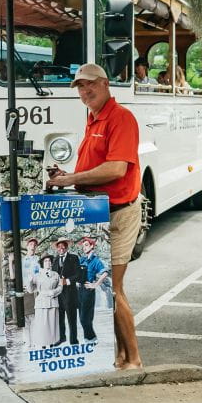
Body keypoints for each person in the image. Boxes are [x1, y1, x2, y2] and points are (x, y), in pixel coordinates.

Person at [46, 63, 143, 369]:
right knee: (109, 291)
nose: (84, 92)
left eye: (89, 85)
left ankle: (134, 359)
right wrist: (68, 176)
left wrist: (71, 178)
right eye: (80, 88)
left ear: (105, 83)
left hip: (118, 214)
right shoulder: (92, 119)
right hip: (98, 215)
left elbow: (117, 168)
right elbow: (93, 168)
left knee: (112, 289)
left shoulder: (121, 118)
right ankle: (120, 356)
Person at [76, 236, 109, 343]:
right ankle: (89, 338)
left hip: (88, 291)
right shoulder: (82, 259)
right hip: (79, 290)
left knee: (85, 317)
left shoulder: (96, 260)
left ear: (92, 246)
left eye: (86, 245)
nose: (84, 248)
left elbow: (105, 273)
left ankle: (92, 337)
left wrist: (95, 285)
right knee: (83, 317)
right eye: (83, 246)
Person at [28, 255, 62, 348]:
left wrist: (53, 292)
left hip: (52, 301)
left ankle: (51, 345)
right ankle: (43, 345)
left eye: (49, 261)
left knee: (52, 325)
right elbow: (31, 290)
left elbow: (60, 287)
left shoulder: (56, 274)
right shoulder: (37, 275)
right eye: (46, 261)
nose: (48, 262)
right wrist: (30, 281)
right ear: (42, 264)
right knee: (42, 326)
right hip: (41, 303)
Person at [52, 238, 80, 346]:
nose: (60, 248)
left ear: (66, 247)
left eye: (62, 246)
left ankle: (74, 341)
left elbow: (78, 274)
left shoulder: (74, 258)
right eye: (58, 247)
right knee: (60, 318)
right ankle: (61, 338)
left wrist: (67, 281)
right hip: (58, 295)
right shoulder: (54, 260)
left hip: (70, 294)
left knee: (71, 319)